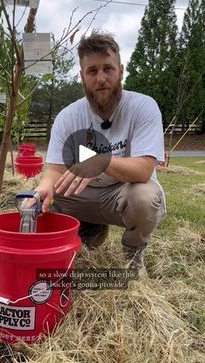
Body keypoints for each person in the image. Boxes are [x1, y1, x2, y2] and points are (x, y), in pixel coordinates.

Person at [34, 30, 166, 276]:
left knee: (145, 196)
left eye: (108, 69)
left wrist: (101, 160)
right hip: (80, 195)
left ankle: (133, 256)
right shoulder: (68, 116)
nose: (101, 78)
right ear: (82, 76)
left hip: (120, 193)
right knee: (41, 199)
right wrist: (44, 186)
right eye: (92, 71)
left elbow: (144, 169)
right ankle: (85, 233)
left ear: (121, 71)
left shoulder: (143, 107)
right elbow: (54, 170)